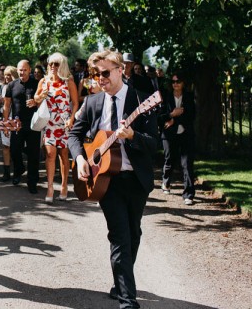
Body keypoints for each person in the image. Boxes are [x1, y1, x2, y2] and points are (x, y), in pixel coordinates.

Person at [68, 49, 158, 308]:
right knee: (119, 235)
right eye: (96, 74)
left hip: (136, 180)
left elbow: (153, 144)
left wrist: (133, 137)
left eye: (105, 73)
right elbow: (74, 135)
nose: (101, 79)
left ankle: (121, 282)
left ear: (121, 70)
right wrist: (81, 158)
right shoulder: (93, 102)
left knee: (134, 234)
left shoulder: (143, 101)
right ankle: (128, 301)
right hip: (106, 181)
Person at [34, 53, 79, 203]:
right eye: (50, 64)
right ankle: (50, 188)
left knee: (64, 156)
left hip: (65, 124)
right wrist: (41, 96)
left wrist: (72, 119)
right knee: (50, 155)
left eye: (56, 64)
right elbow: (36, 99)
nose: (52, 66)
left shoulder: (68, 82)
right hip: (49, 124)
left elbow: (75, 103)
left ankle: (65, 185)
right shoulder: (43, 81)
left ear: (62, 66)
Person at [3, 60, 41, 194]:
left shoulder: (37, 84)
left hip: (33, 125)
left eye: (24, 70)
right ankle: (19, 169)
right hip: (16, 125)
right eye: (20, 70)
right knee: (14, 150)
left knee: (33, 154)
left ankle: (32, 182)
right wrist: (5, 123)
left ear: (29, 70)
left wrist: (36, 102)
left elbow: (43, 103)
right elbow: (7, 106)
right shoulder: (11, 85)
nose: (22, 72)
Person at [159, 72, 196, 205]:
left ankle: (189, 194)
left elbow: (192, 115)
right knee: (170, 158)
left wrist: (174, 119)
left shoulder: (189, 97)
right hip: (169, 134)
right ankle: (166, 181)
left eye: (178, 81)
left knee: (187, 164)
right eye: (173, 82)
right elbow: (161, 116)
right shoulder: (166, 96)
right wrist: (172, 114)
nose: (175, 84)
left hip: (186, 133)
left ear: (183, 83)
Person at [0, 66, 18, 181]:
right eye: (5, 74)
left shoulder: (18, 86)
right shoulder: (4, 87)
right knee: (6, 146)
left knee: (15, 147)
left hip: (15, 120)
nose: (6, 77)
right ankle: (6, 172)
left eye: (9, 74)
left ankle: (17, 171)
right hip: (5, 118)